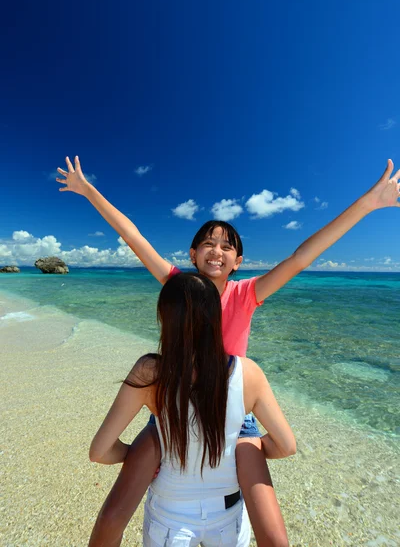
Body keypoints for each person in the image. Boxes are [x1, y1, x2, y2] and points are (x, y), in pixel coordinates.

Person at [57, 156, 400, 547]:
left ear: (238, 262)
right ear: (192, 254)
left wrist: (368, 204)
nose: (216, 250)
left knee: (271, 529)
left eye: (226, 246)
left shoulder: (247, 294)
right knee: (114, 513)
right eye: (208, 243)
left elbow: (301, 257)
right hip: (171, 404)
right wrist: (89, 192)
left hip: (234, 414)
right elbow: (134, 237)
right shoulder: (178, 285)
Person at [89, 272, 296, 547]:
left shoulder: (149, 372)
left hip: (168, 515)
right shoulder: (249, 373)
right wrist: (247, 449)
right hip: (228, 517)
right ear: (216, 317)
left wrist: (139, 455)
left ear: (164, 318)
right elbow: (286, 446)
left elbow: (100, 452)